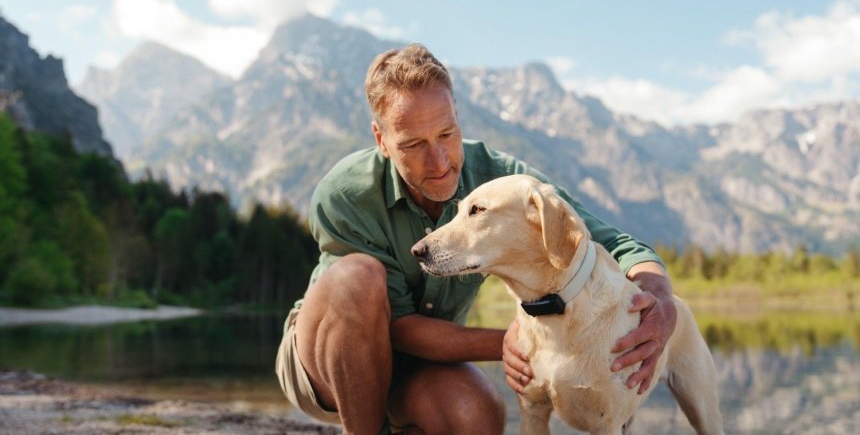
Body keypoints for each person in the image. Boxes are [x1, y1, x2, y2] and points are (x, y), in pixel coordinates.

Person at [275, 44, 678, 435]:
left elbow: (610, 242)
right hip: (328, 367)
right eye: (413, 145)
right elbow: (394, 327)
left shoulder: (504, 183)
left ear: (458, 120)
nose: (439, 162)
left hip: (421, 370)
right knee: (356, 279)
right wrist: (516, 341)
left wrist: (658, 297)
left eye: (447, 134)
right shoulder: (344, 194)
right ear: (381, 140)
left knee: (475, 415)